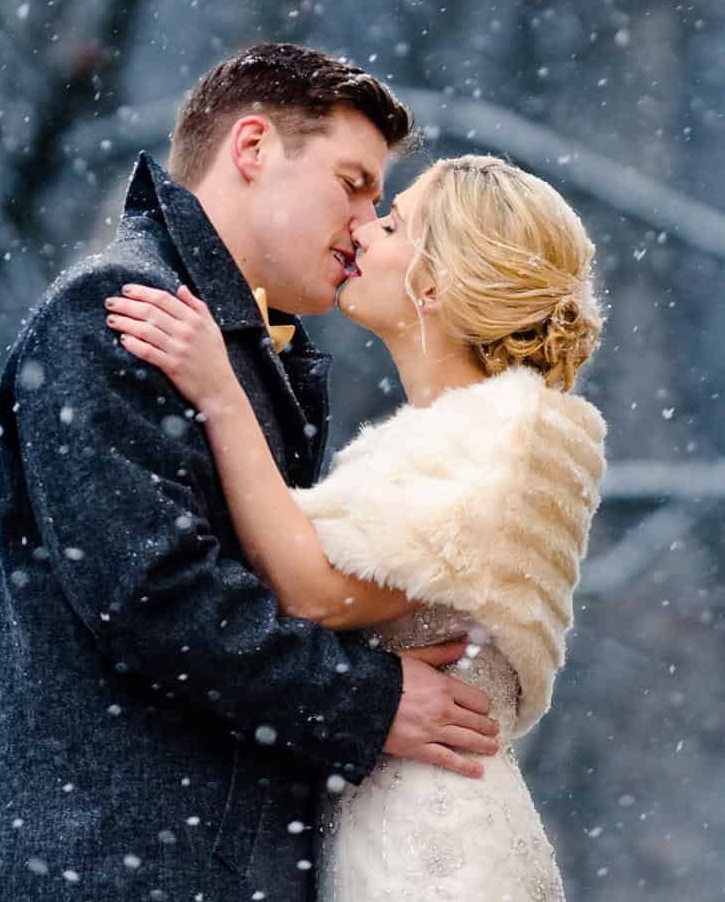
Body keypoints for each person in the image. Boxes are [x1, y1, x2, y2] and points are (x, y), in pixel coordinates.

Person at [0, 44, 501, 902]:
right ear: (252, 148)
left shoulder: (246, 344)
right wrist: (367, 702)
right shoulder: (117, 311)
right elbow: (156, 597)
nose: (366, 223)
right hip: (126, 875)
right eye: (352, 184)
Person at [105, 150, 607, 902]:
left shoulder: (512, 432)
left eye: (394, 224)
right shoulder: (447, 436)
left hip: (436, 856)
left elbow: (312, 592)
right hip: (390, 837)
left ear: (437, 282)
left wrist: (220, 391)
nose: (364, 231)